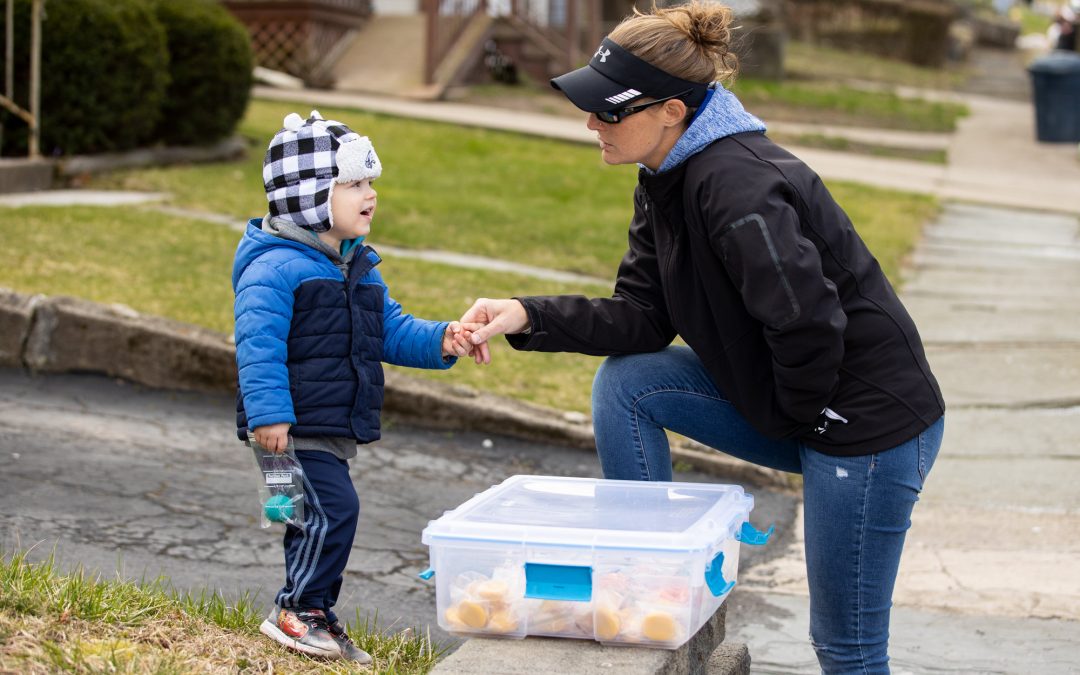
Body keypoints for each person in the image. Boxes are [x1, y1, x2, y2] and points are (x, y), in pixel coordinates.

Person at [461, 3, 945, 672]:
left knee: (848, 646)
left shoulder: (736, 185)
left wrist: (796, 419)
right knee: (630, 383)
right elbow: (641, 316)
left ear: (671, 111)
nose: (591, 122)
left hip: (865, 424)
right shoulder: (665, 175)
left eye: (608, 110)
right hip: (804, 403)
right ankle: (646, 589)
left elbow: (809, 320)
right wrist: (525, 312)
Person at [233, 110, 478, 663]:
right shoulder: (275, 268)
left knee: (305, 518)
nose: (370, 195)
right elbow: (257, 346)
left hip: (330, 422)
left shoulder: (356, 267)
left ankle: (313, 610)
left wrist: (444, 339)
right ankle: (297, 610)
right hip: (290, 426)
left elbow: (389, 328)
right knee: (333, 512)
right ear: (309, 197)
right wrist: (268, 415)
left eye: (370, 183)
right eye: (354, 184)